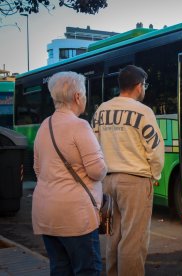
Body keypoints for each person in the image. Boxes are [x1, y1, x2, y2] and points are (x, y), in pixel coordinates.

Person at [32, 71, 107, 275]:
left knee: (59, 268)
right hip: (75, 217)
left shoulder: (44, 126)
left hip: (46, 214)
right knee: (87, 270)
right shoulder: (80, 126)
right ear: (77, 97)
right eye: (83, 95)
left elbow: (38, 169)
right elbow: (97, 171)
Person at [92, 65, 165, 275]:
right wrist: (154, 174)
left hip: (108, 181)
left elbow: (94, 146)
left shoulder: (101, 110)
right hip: (135, 180)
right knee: (134, 239)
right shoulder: (143, 111)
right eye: (145, 85)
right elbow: (155, 149)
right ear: (139, 86)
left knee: (114, 236)